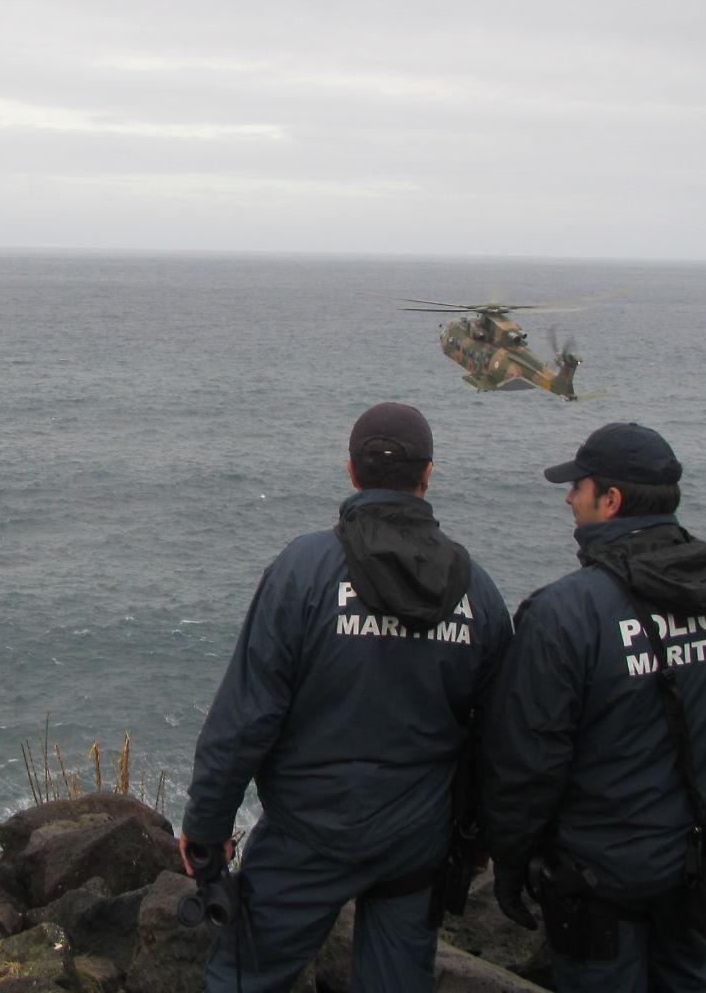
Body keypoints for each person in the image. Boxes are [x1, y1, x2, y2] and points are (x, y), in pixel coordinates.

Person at [180, 402, 512, 993]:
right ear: (427, 475)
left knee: (247, 979)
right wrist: (482, 837)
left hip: (309, 832)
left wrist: (207, 827)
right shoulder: (475, 589)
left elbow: (248, 713)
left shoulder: (304, 571)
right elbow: (499, 736)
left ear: (352, 473)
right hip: (417, 838)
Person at [482, 422, 706, 993]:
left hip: (601, 877)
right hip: (704, 864)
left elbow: (527, 764)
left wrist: (511, 860)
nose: (567, 499)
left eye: (577, 487)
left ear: (611, 500)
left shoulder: (565, 614)